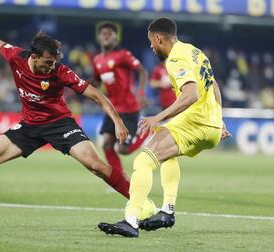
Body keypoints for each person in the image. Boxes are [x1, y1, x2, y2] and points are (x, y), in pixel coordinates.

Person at [0, 26, 131, 230]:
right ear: (34, 56)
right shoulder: (16, 57)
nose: (52, 66)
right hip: (30, 125)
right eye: (48, 62)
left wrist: (118, 122)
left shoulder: (61, 72)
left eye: (54, 61)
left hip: (60, 124)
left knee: (96, 166)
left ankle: (139, 201)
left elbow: (97, 96)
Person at [98, 17, 231, 237]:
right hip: (211, 126)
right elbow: (214, 85)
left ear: (159, 38)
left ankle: (131, 220)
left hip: (195, 122)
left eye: (152, 42)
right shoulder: (195, 52)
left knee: (144, 160)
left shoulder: (175, 59)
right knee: (167, 153)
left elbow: (190, 95)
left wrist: (157, 117)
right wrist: (219, 118)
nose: (152, 47)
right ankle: (167, 210)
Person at [93, 21, 149, 182]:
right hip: (112, 108)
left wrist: (141, 93)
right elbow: (97, 82)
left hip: (129, 108)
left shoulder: (123, 55)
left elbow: (142, 71)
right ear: (99, 37)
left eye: (110, 34)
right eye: (104, 34)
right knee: (106, 144)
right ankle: (120, 179)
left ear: (115, 38)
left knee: (123, 149)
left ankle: (147, 132)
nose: (107, 36)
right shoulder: (97, 60)